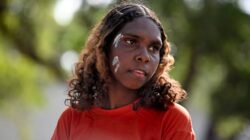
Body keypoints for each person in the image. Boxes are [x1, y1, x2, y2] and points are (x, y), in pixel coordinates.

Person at [52, 2, 195, 140]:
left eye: (153, 48)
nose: (144, 56)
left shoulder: (172, 120)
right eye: (131, 42)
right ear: (105, 47)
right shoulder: (72, 119)